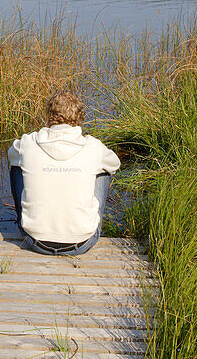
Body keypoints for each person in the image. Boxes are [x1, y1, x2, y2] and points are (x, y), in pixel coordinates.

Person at [8, 90, 121, 255]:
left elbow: (11, 155)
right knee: (104, 168)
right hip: (82, 242)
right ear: (79, 116)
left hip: (34, 240)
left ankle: (27, 219)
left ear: (50, 115)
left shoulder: (27, 143)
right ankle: (85, 221)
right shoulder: (93, 146)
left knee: (17, 163)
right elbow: (115, 164)